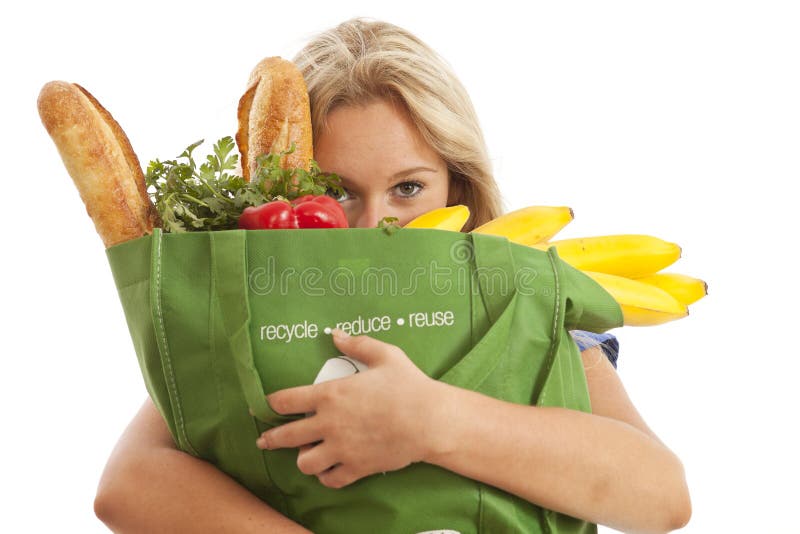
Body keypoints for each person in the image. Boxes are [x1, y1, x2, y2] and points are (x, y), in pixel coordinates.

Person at [94, 18, 691, 533]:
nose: (376, 223)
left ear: (459, 186)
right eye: (339, 193)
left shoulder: (521, 302)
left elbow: (661, 498)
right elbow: (127, 484)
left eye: (408, 188)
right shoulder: (257, 316)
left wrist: (434, 421)